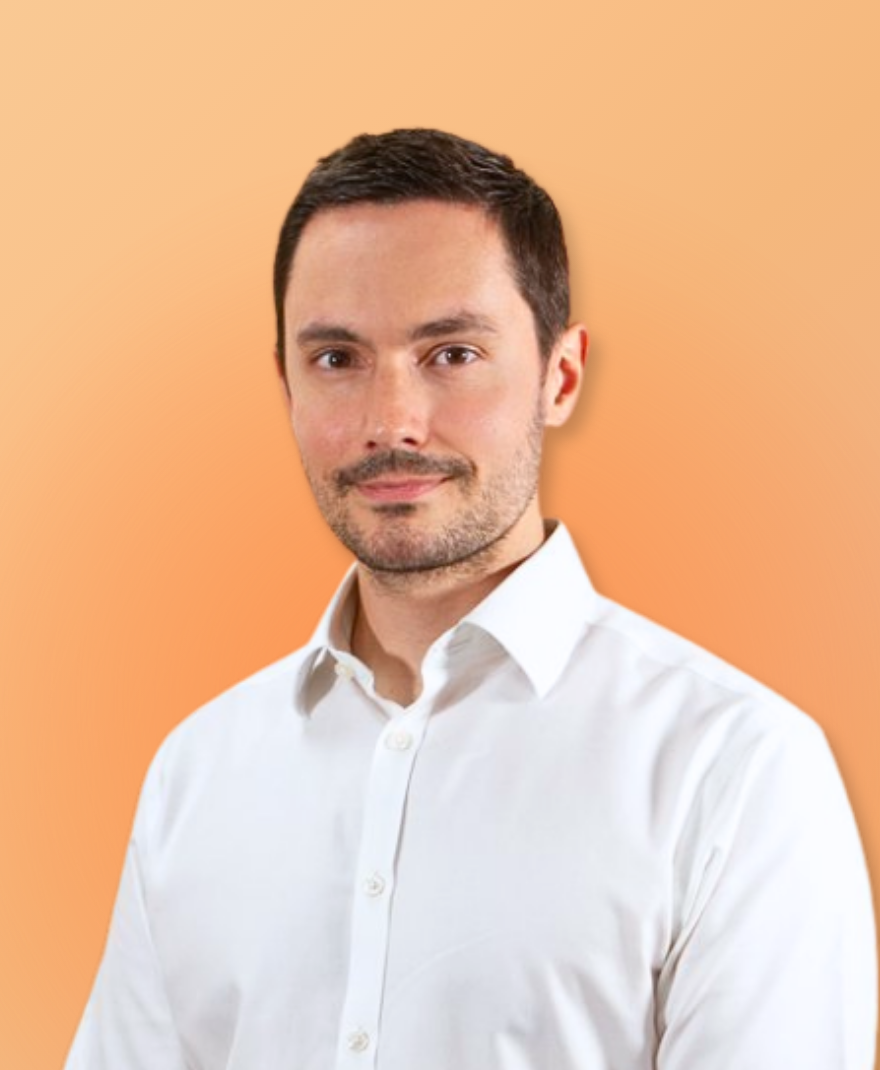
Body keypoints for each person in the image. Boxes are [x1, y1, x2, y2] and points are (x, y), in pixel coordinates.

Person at [65, 129, 876, 1069]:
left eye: (451, 354)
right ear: (285, 382)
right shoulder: (197, 771)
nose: (391, 422)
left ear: (560, 377)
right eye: (336, 358)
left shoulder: (732, 768)